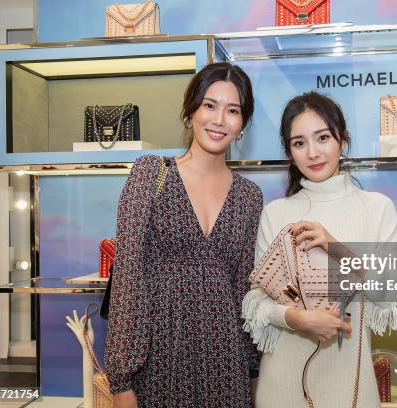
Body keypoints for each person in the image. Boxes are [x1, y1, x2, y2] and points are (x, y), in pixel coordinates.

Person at [242, 92, 397, 407]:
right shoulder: (276, 213)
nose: (313, 152)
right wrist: (298, 320)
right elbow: (256, 303)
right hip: (281, 386)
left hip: (351, 383)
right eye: (299, 143)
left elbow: (393, 295)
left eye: (322, 137)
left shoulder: (377, 209)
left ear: (343, 140)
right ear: (290, 152)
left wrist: (337, 247)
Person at [105, 62, 263, 408]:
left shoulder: (249, 196)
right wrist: (121, 382)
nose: (219, 119)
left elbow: (245, 290)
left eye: (232, 110)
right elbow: (128, 279)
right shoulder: (150, 175)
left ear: (242, 124)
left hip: (226, 364)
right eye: (209, 105)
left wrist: (252, 372)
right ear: (190, 111)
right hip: (159, 359)